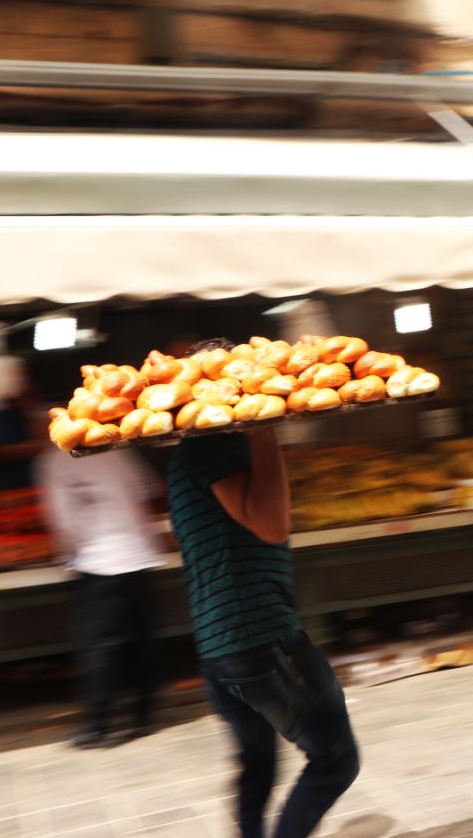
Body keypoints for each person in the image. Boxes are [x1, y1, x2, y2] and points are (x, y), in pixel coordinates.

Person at [166, 339, 358, 838]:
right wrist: (264, 431)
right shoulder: (215, 443)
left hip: (221, 649)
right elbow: (272, 525)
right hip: (259, 640)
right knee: (335, 760)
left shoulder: (194, 450)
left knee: (258, 762)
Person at [36, 442, 164, 749]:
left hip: (98, 560)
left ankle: (97, 725)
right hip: (137, 554)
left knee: (101, 648)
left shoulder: (54, 460)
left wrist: (70, 554)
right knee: (141, 640)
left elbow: (63, 519)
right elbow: (146, 491)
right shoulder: (118, 449)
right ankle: (145, 714)